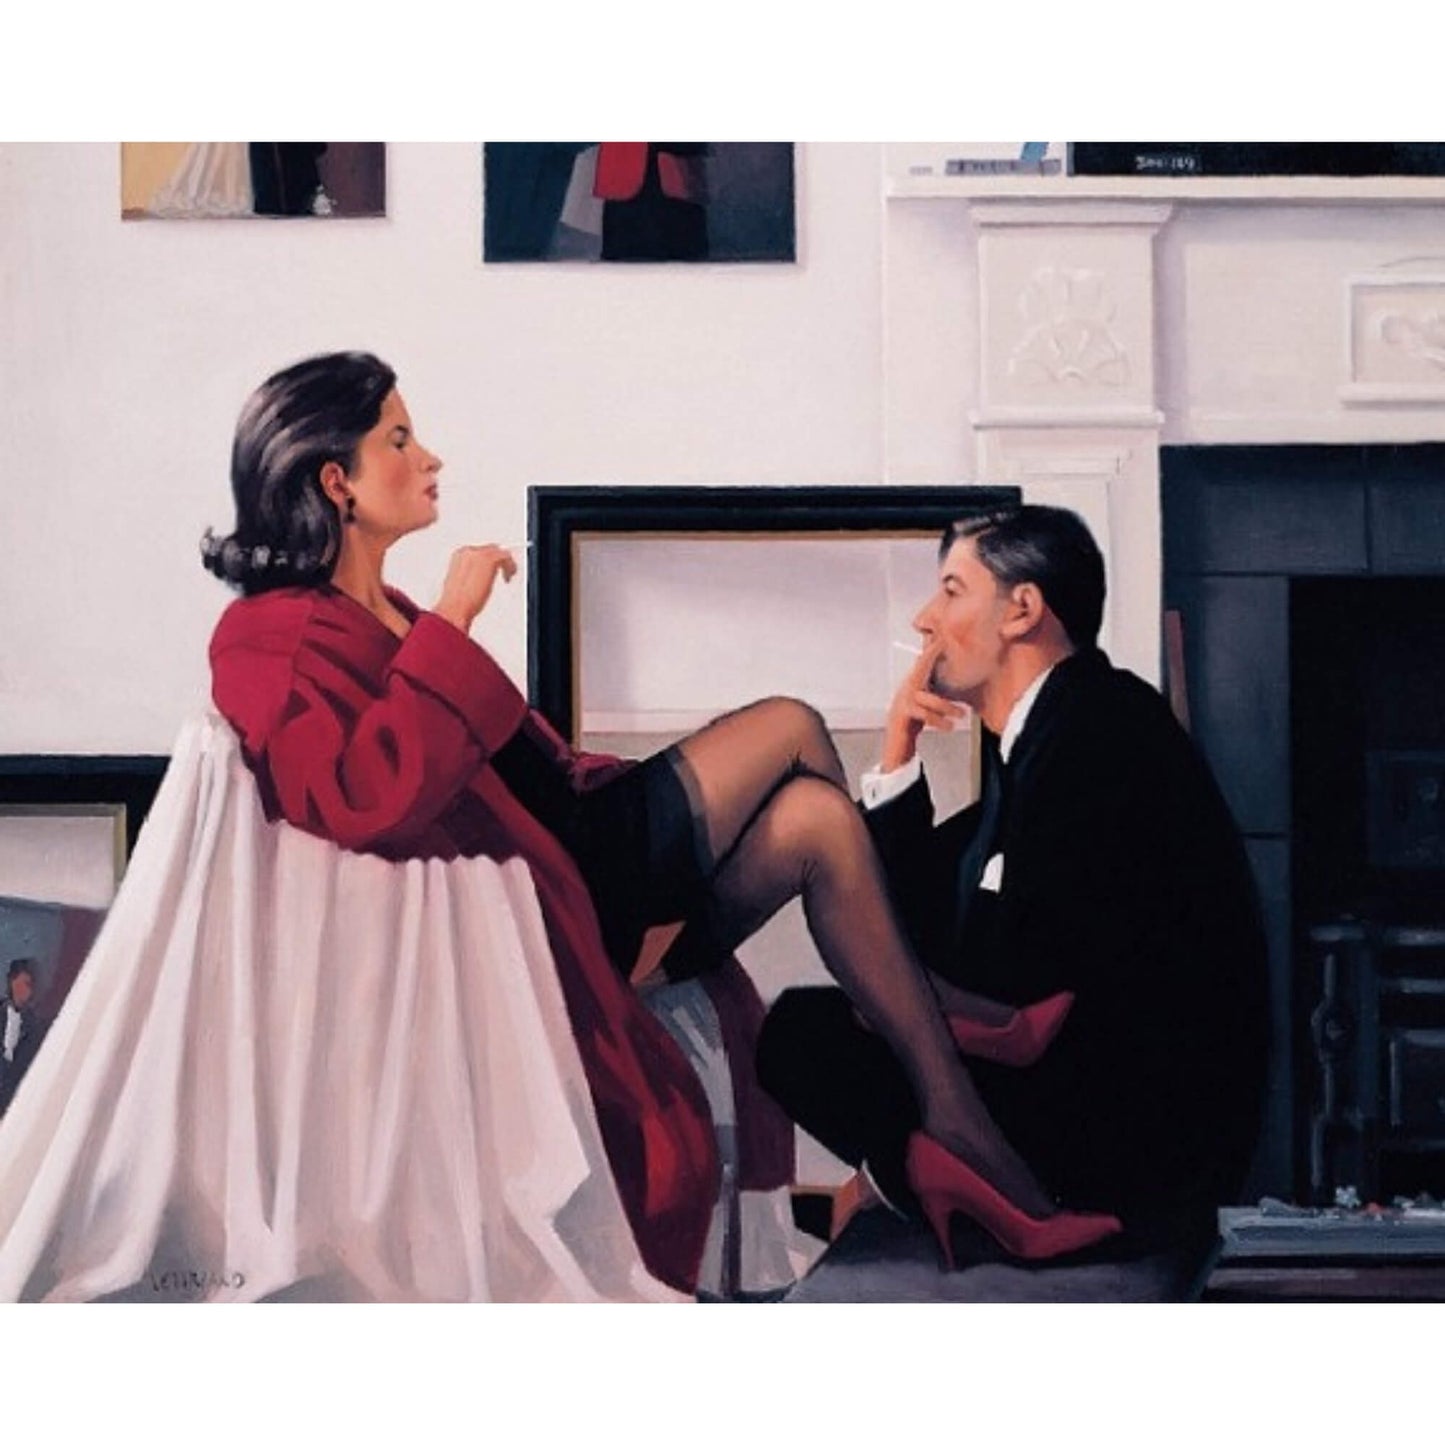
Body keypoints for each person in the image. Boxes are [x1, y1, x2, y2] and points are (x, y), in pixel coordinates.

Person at [203, 353, 1121, 1287]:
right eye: (399, 440)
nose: (429, 457)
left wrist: (441, 628)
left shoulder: (385, 609)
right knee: (793, 724)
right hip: (564, 890)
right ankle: (944, 1027)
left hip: (584, 847)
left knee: (816, 820)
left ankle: (957, 1130)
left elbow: (521, 765)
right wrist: (453, 615)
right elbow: (361, 797)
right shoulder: (267, 635)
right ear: (337, 482)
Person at [757, 506, 1271, 1260]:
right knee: (809, 1024)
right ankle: (919, 1175)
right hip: (1086, 1089)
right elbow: (919, 927)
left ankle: (925, 1178)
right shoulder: (1049, 735)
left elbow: (1010, 964)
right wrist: (898, 753)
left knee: (801, 1035)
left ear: (1022, 609)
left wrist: (905, 1002)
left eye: (952, 590)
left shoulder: (1103, 732)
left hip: (1131, 1135)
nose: (924, 619)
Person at [0, 961, 48, 1117]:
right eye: (26, 983)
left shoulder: (34, 1026)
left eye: (31, 985)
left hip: (13, 1105)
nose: (29, 990)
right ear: (13, 982)